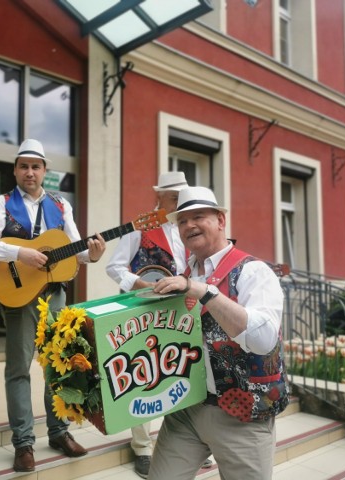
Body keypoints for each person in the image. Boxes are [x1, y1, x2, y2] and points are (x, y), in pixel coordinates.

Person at [0, 139, 106, 472]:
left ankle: (58, 432)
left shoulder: (61, 206)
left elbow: (75, 250)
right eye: (23, 166)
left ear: (45, 171)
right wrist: (20, 253)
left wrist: (91, 254)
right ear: (15, 170)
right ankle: (23, 442)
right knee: (18, 368)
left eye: (36, 166)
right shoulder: (2, 203)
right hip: (19, 292)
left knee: (58, 366)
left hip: (55, 292)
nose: (29, 172)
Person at [147, 186, 289, 480]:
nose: (188, 225)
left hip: (243, 417)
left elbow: (264, 341)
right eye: (182, 220)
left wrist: (206, 293)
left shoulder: (254, 271)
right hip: (185, 409)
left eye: (198, 216)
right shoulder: (183, 274)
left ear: (221, 220)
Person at [105, 171, 190, 478]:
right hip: (144, 311)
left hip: (181, 312)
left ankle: (183, 445)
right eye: (175, 197)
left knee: (183, 373)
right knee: (145, 375)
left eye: (183, 197)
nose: (181, 203)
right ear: (160, 198)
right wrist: (140, 283)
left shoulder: (189, 228)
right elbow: (113, 267)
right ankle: (141, 446)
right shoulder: (139, 226)